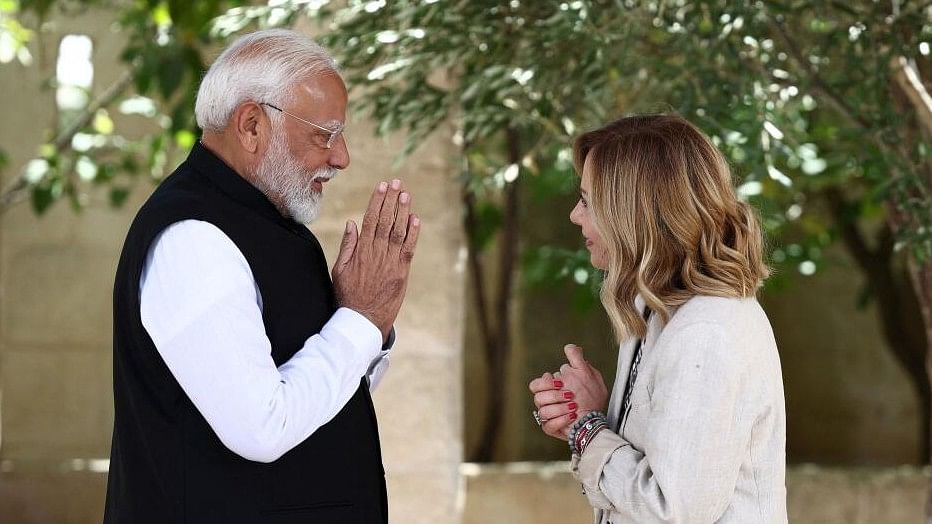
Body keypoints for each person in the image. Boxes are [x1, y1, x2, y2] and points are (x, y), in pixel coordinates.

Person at [105, 29, 419, 523]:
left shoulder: (265, 225)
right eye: (325, 134)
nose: (341, 157)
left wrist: (363, 324)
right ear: (252, 125)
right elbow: (262, 426)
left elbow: (307, 403)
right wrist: (359, 320)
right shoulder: (194, 238)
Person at [529, 114, 787, 523]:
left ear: (633, 213)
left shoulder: (707, 331)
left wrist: (586, 429)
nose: (575, 216)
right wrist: (591, 416)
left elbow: (672, 510)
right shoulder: (654, 313)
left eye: (587, 201)